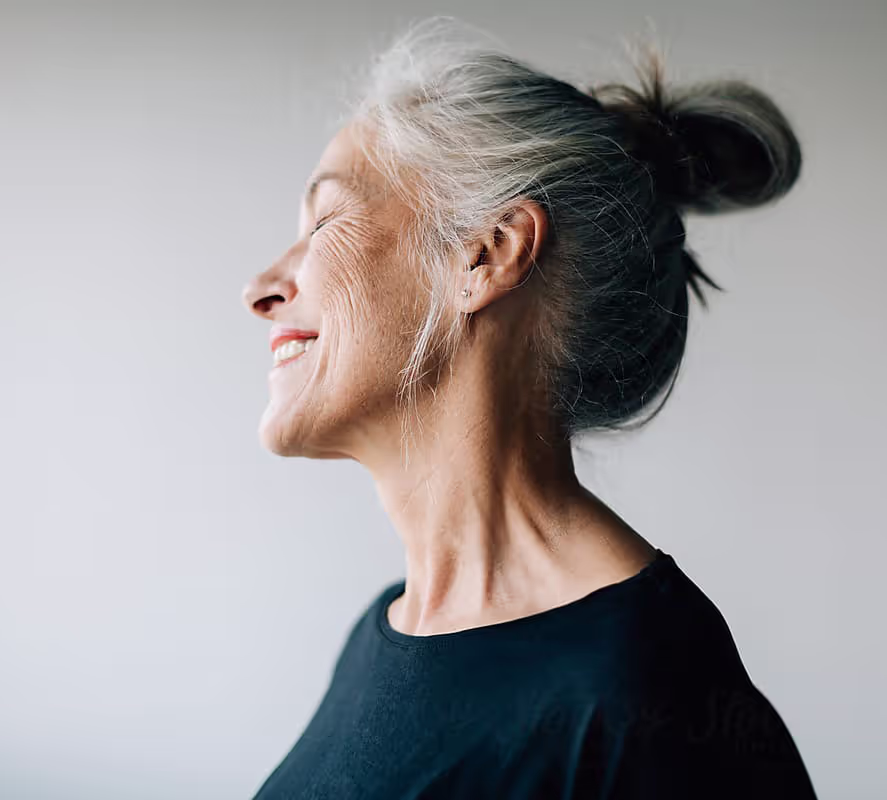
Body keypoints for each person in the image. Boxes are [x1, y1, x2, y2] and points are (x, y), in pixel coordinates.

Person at [241, 15, 813, 799]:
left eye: (327, 220)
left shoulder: (646, 702)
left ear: (487, 254)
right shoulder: (385, 633)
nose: (261, 288)